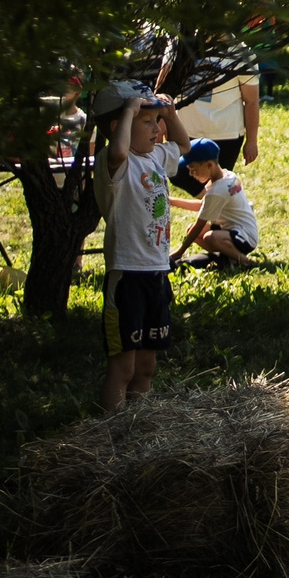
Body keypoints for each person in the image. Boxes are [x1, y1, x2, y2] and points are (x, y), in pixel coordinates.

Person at [99, 84, 191, 412]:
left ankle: (140, 426)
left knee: (146, 365)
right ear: (118, 127)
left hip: (156, 271)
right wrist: (128, 111)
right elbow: (118, 152)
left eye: (157, 121)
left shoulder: (156, 157)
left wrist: (170, 112)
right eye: (147, 121)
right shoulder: (115, 164)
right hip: (128, 275)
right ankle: (112, 429)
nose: (157, 129)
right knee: (123, 366)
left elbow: (183, 144)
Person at [171, 38, 262, 189]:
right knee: (179, 176)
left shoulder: (241, 53)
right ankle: (214, 205)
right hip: (185, 132)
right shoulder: (183, 45)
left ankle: (225, 206)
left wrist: (252, 141)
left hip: (225, 136)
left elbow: (251, 101)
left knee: (218, 187)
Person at [170, 139, 260, 269]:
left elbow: (200, 224)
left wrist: (180, 251)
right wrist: (172, 201)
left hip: (245, 238)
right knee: (192, 231)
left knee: (209, 237)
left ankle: (245, 262)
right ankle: (228, 257)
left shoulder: (218, 190)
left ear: (209, 165)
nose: (191, 174)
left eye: (193, 169)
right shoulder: (227, 175)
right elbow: (204, 205)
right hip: (237, 231)